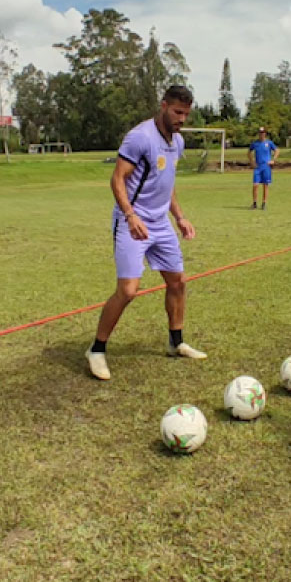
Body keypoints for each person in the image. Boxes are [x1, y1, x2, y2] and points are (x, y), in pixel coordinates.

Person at [86, 85, 206, 381]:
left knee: (177, 282)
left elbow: (167, 183)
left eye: (186, 114)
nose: (181, 119)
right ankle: (97, 349)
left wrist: (180, 217)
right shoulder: (140, 137)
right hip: (133, 221)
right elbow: (117, 179)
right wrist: (130, 216)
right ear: (163, 106)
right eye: (177, 112)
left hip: (161, 223)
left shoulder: (177, 141)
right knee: (128, 290)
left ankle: (176, 343)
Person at [248, 127, 279, 210]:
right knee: (255, 185)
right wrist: (252, 162)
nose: (261, 134)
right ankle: (254, 203)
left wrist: (273, 160)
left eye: (263, 133)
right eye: (260, 133)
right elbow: (249, 152)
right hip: (258, 167)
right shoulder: (255, 143)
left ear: (265, 134)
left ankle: (264, 203)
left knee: (265, 185)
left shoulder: (269, 143)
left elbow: (277, 150)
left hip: (266, 167)